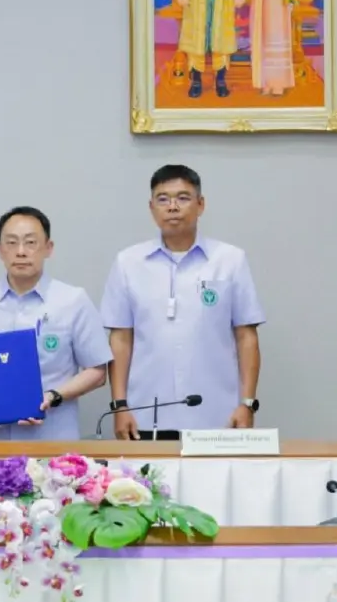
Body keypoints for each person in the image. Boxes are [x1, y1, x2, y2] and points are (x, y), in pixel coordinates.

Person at [100, 165, 265, 440]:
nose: (172, 207)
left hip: (218, 417)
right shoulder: (128, 263)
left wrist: (247, 403)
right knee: (145, 484)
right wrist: (119, 406)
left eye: (183, 198)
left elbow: (246, 336)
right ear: (151, 207)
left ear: (200, 205)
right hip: (144, 414)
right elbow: (120, 339)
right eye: (163, 199)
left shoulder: (229, 260)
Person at [0, 207, 110, 441]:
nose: (21, 252)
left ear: (48, 248)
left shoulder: (73, 300)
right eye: (11, 243)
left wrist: (53, 396)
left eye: (30, 242)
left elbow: (97, 370)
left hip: (51, 438)